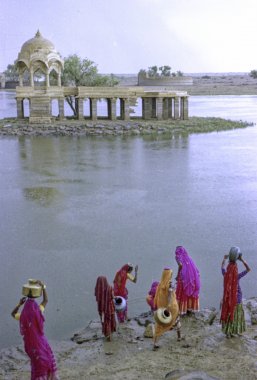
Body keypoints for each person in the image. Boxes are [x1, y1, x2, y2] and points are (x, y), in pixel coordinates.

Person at [11, 280, 59, 380]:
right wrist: (43, 287)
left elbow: (13, 314)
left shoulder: (23, 316)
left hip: (32, 346)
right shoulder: (39, 311)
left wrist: (19, 304)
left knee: (36, 364)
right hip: (42, 343)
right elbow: (45, 300)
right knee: (46, 360)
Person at [220, 247, 250, 338]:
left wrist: (224, 259)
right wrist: (242, 260)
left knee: (229, 313)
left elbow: (222, 267)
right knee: (237, 314)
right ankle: (235, 331)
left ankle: (228, 332)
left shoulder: (225, 275)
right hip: (238, 298)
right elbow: (248, 269)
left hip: (228, 299)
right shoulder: (237, 276)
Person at [153, 268, 181, 350]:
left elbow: (157, 297)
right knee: (176, 320)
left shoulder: (160, 284)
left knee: (159, 324)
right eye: (171, 274)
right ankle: (179, 337)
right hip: (171, 307)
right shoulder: (169, 285)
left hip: (162, 308)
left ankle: (155, 342)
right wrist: (168, 306)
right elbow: (169, 296)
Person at [175, 246, 200, 315]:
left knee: (182, 291)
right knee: (189, 291)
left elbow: (180, 265)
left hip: (183, 277)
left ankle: (182, 309)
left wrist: (177, 275)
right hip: (191, 277)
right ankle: (189, 308)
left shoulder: (178, 256)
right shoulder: (188, 258)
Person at [95, 276, 116, 341]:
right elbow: (113, 297)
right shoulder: (110, 288)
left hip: (102, 309)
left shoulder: (97, 289)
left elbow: (97, 297)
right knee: (110, 320)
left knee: (105, 321)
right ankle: (110, 334)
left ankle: (107, 335)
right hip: (110, 308)